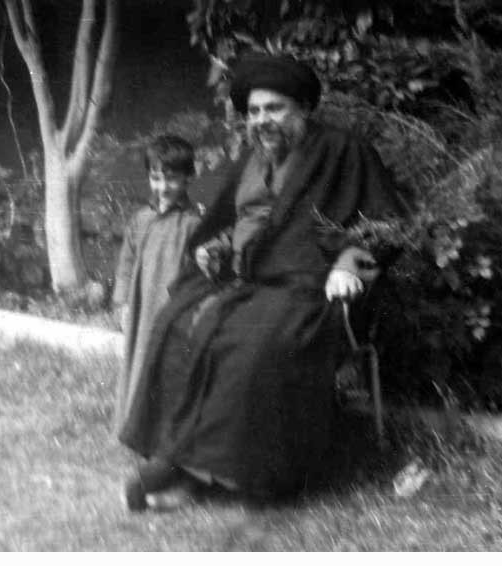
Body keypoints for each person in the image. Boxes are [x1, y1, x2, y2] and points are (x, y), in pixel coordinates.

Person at [118, 53, 409, 511]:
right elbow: (227, 223)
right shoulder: (249, 162)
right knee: (174, 321)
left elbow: (387, 225)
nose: (261, 120)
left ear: (303, 108)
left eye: (274, 108)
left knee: (253, 347)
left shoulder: (344, 152)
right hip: (244, 281)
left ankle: (203, 474)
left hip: (310, 286)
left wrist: (349, 265)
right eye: (253, 111)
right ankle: (179, 461)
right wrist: (215, 247)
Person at [112, 135, 202, 435]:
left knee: (167, 368)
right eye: (156, 178)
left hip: (172, 311)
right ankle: (132, 425)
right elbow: (126, 262)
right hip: (141, 309)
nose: (163, 187)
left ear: (189, 177)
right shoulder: (141, 219)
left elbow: (200, 274)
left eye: (172, 179)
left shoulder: (193, 224)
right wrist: (123, 303)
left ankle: (163, 433)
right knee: (138, 362)